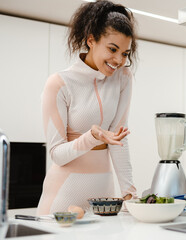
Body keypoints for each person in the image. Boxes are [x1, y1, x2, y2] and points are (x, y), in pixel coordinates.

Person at [37, 0, 137, 215]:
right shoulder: (59, 83)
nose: (118, 60)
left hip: (105, 196)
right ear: (91, 40)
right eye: (112, 49)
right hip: (64, 194)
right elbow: (57, 154)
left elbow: (120, 139)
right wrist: (92, 136)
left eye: (125, 53)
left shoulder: (123, 79)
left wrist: (130, 194)